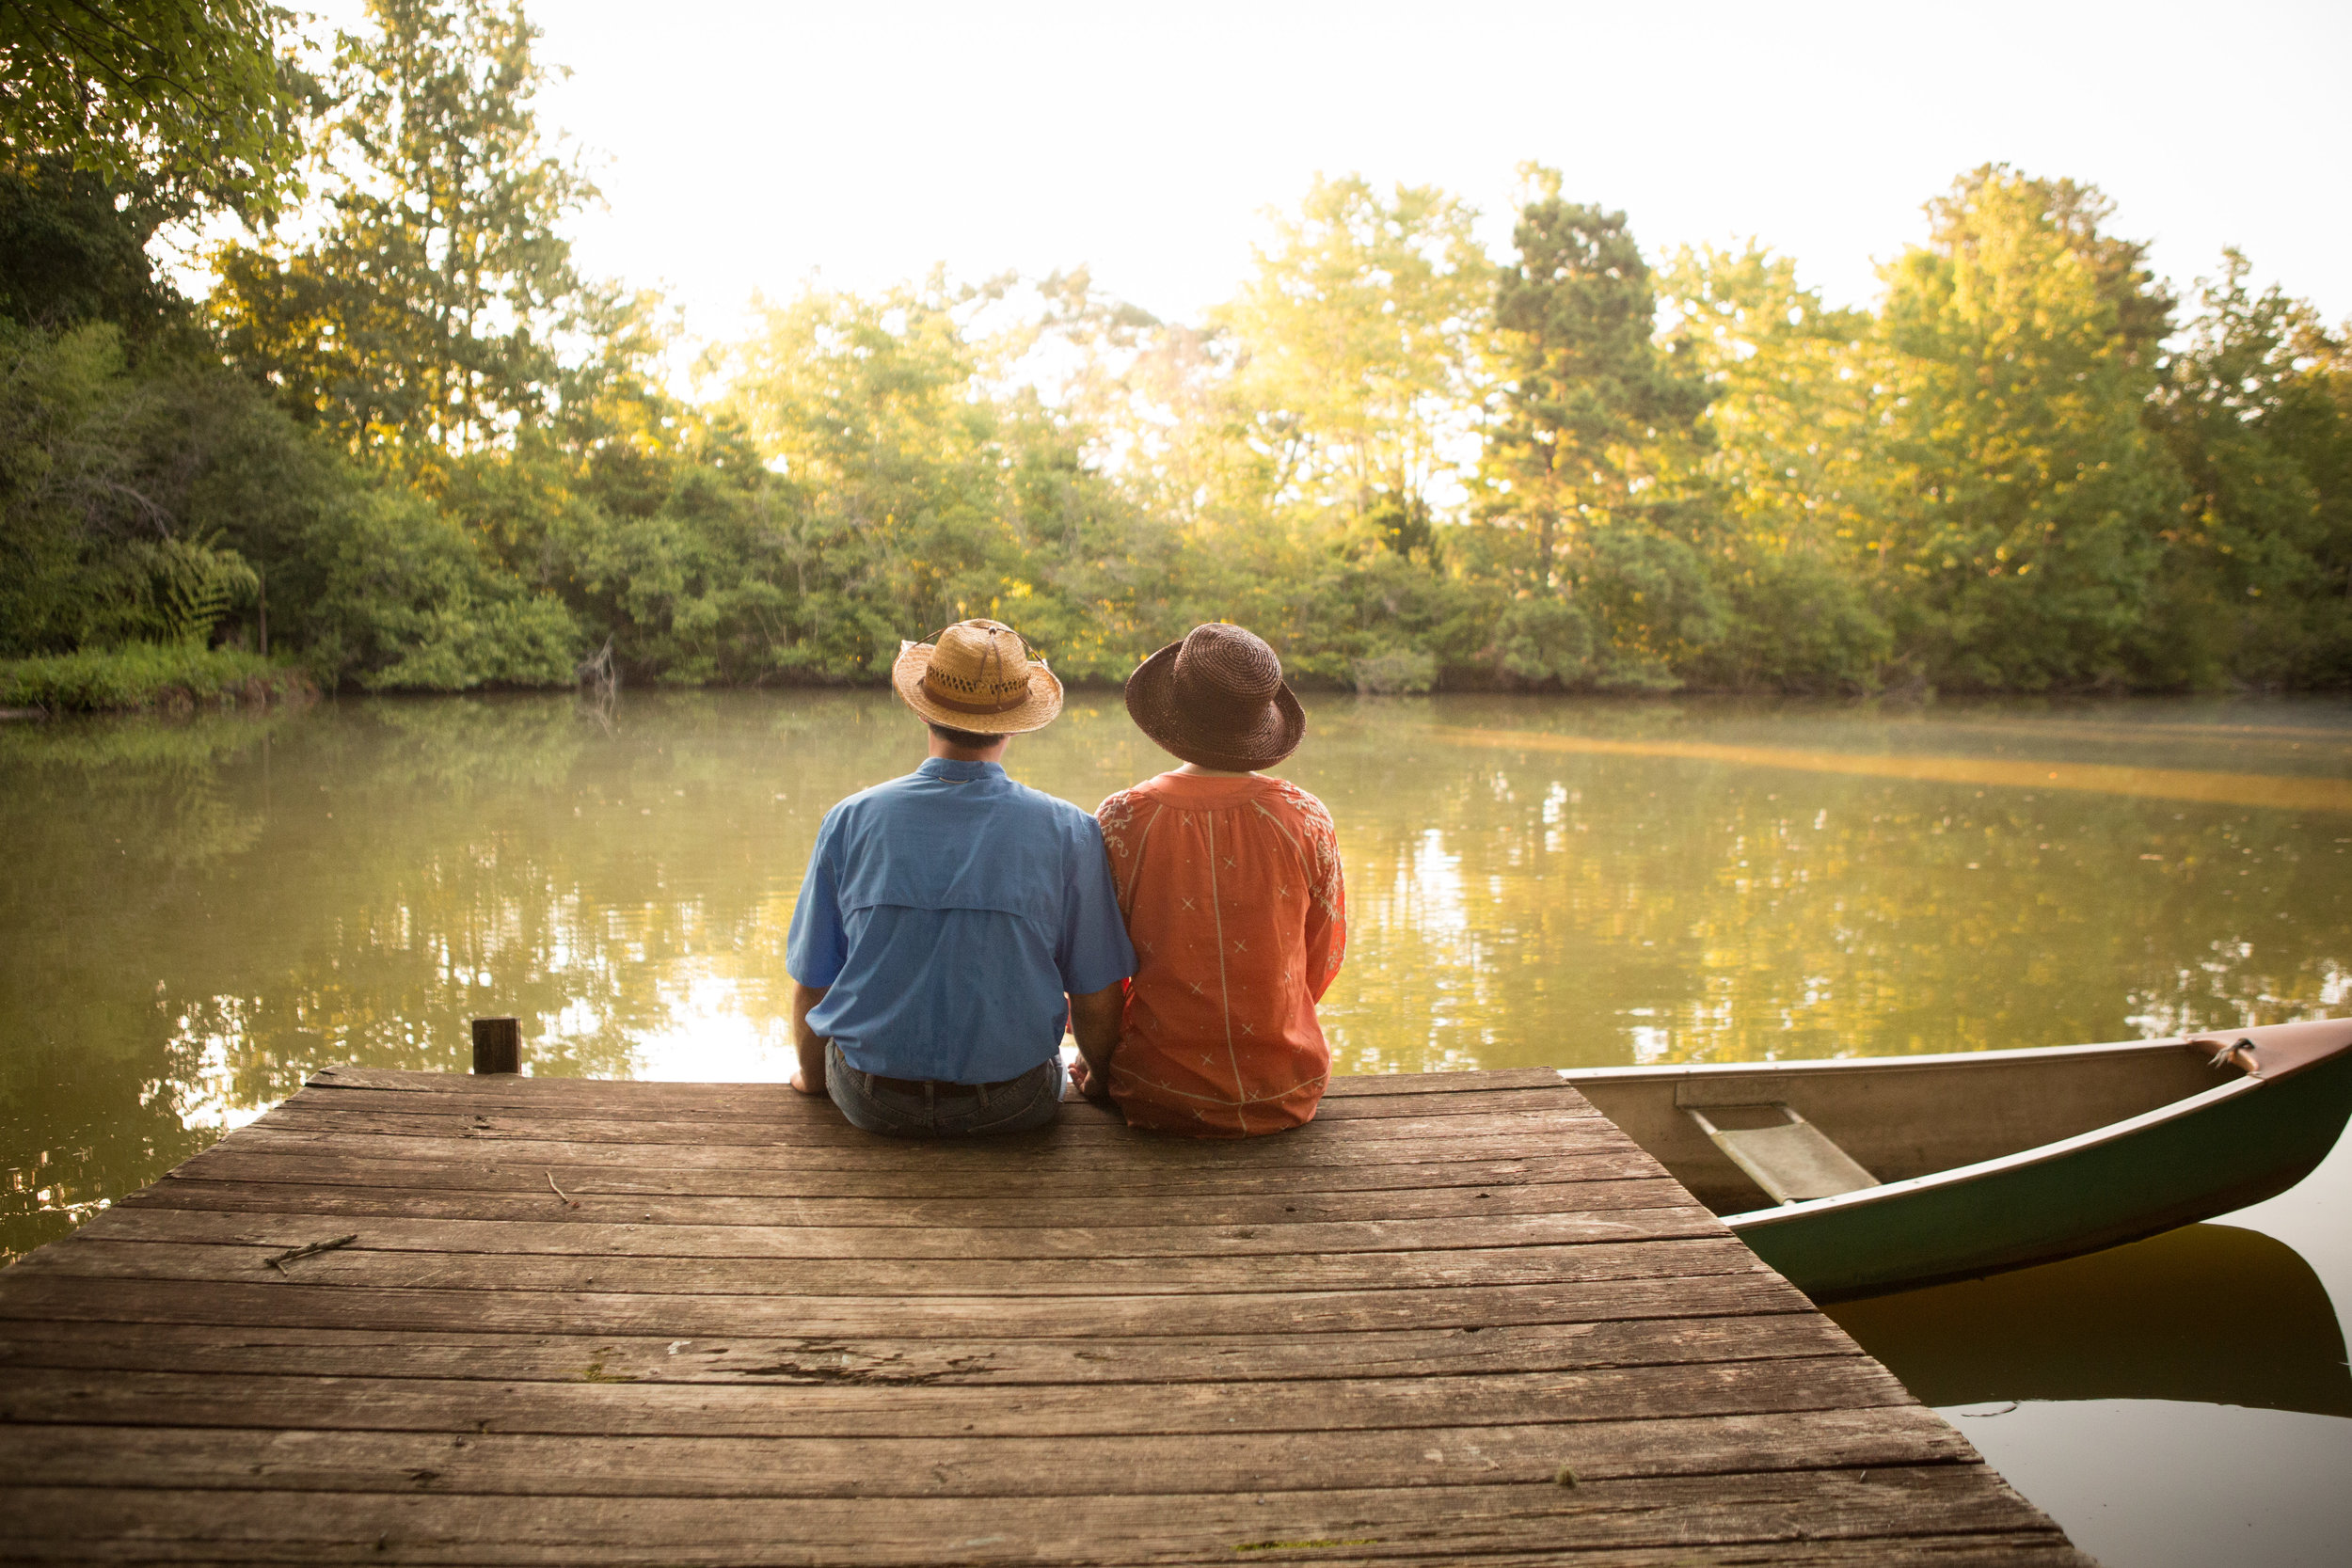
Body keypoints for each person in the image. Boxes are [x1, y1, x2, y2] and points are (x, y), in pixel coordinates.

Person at [785, 619, 1133, 1136]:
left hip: (871, 1100)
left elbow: (813, 978)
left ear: (923, 710)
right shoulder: (1069, 830)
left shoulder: (850, 819)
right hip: (1015, 1103)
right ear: (1015, 724)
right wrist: (1101, 1079)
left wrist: (814, 1079)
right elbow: (1095, 994)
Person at [1076, 622, 1347, 1136]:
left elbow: (1098, 975)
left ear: (1174, 713)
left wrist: (1100, 1069)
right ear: (1257, 719)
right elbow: (1323, 954)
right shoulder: (1305, 817)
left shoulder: (1122, 819)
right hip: (1285, 1091)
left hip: (1157, 1093)